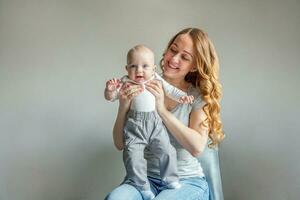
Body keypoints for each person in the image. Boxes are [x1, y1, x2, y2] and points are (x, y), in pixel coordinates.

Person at [105, 28, 225, 200]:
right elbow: (119, 143)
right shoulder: (141, 84)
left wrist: (161, 110)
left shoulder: (196, 97)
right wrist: (123, 106)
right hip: (145, 180)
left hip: (187, 181)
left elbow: (197, 147)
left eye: (185, 57)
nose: (174, 59)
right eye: (173, 50)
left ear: (194, 66)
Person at [104, 45, 194, 200]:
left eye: (145, 66)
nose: (139, 71)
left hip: (155, 124)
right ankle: (141, 185)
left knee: (167, 150)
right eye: (133, 66)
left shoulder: (156, 80)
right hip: (134, 125)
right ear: (126, 68)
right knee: (133, 156)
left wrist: (182, 97)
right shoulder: (125, 82)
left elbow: (171, 91)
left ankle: (170, 179)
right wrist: (110, 90)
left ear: (153, 69)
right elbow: (111, 98)